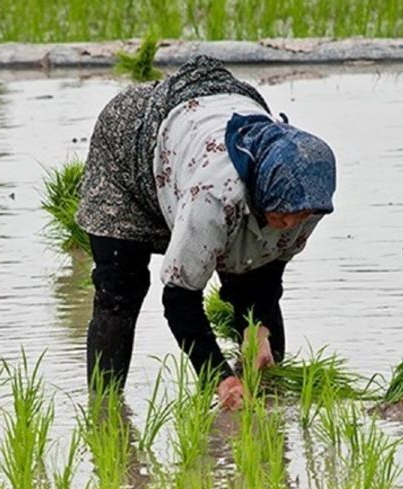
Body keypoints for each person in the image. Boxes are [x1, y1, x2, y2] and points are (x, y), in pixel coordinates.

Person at [77, 55, 336, 410]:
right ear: (264, 191)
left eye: (301, 215)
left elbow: (266, 270)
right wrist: (220, 377)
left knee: (252, 293)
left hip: (206, 122)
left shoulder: (307, 194)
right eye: (285, 214)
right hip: (132, 148)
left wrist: (258, 328)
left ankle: (267, 422)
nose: (292, 224)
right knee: (120, 289)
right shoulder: (215, 197)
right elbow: (179, 299)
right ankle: (104, 414)